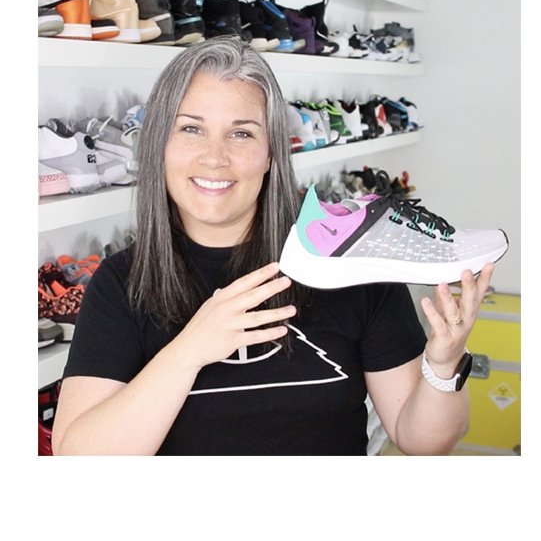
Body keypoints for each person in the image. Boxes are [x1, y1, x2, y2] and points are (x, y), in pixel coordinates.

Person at [52, 36, 494, 455]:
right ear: (159, 146)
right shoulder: (122, 283)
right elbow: (80, 456)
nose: (215, 157)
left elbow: (423, 442)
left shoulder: (351, 267)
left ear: (271, 153)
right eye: (191, 129)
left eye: (242, 133)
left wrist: (443, 366)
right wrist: (190, 350)